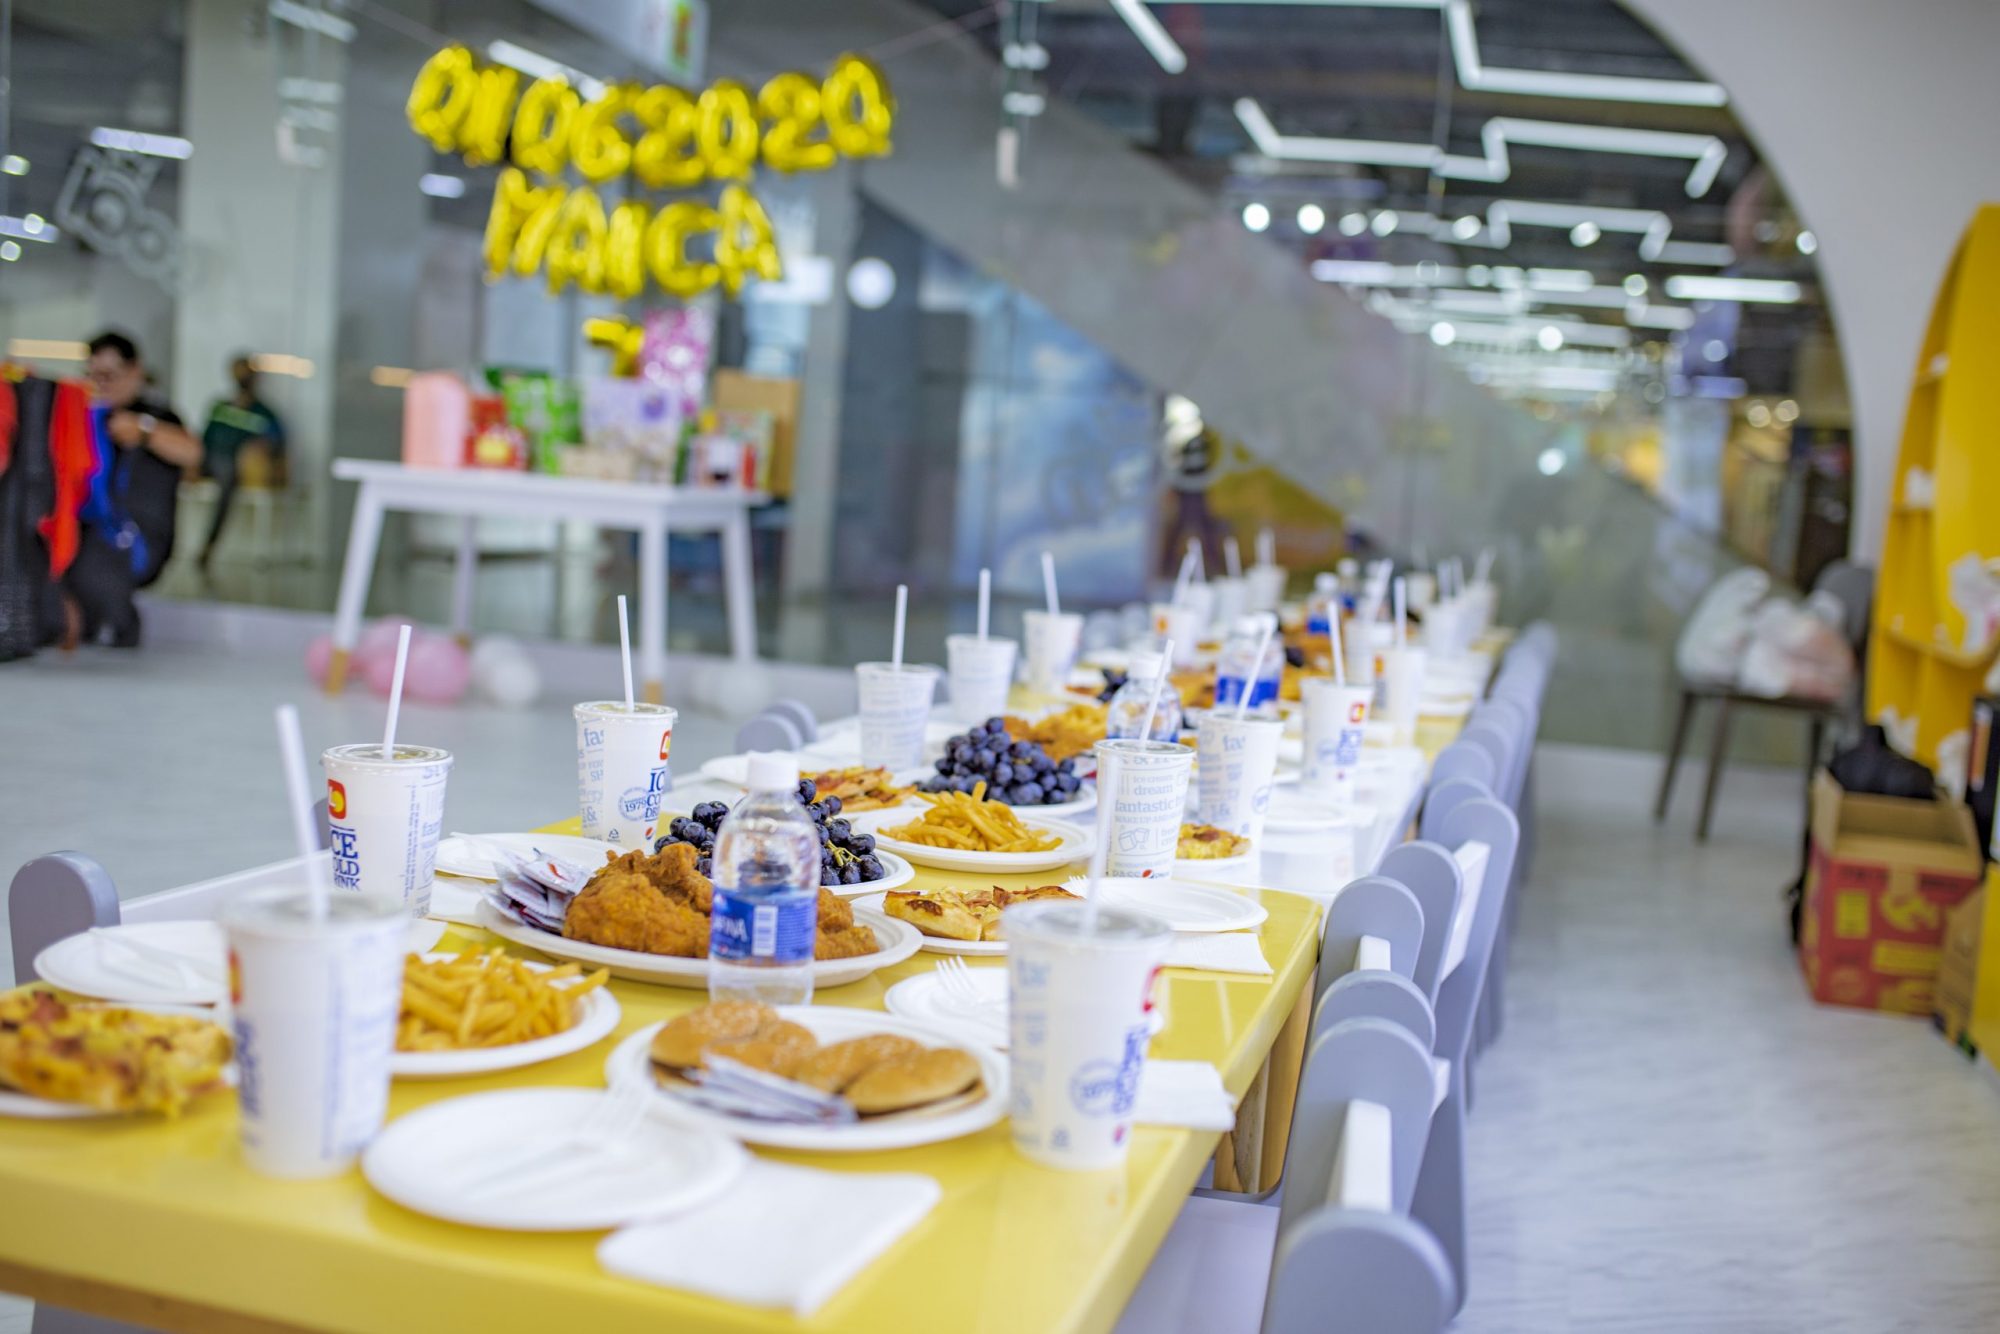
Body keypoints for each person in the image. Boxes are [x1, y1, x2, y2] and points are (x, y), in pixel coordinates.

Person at [55, 331, 200, 647]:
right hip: (89, 531)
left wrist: (144, 431)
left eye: (109, 375)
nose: (100, 384)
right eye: (92, 375)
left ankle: (119, 623)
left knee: (92, 566)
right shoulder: (89, 417)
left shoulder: (157, 416)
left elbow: (193, 453)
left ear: (135, 371)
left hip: (136, 539)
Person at [198, 355, 285, 570]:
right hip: (209, 460)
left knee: (227, 477)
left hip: (236, 467)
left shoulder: (264, 413)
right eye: (238, 372)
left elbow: (277, 444)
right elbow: (203, 439)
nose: (242, 378)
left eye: (246, 373)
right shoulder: (220, 406)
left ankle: (208, 546)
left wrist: (259, 448)